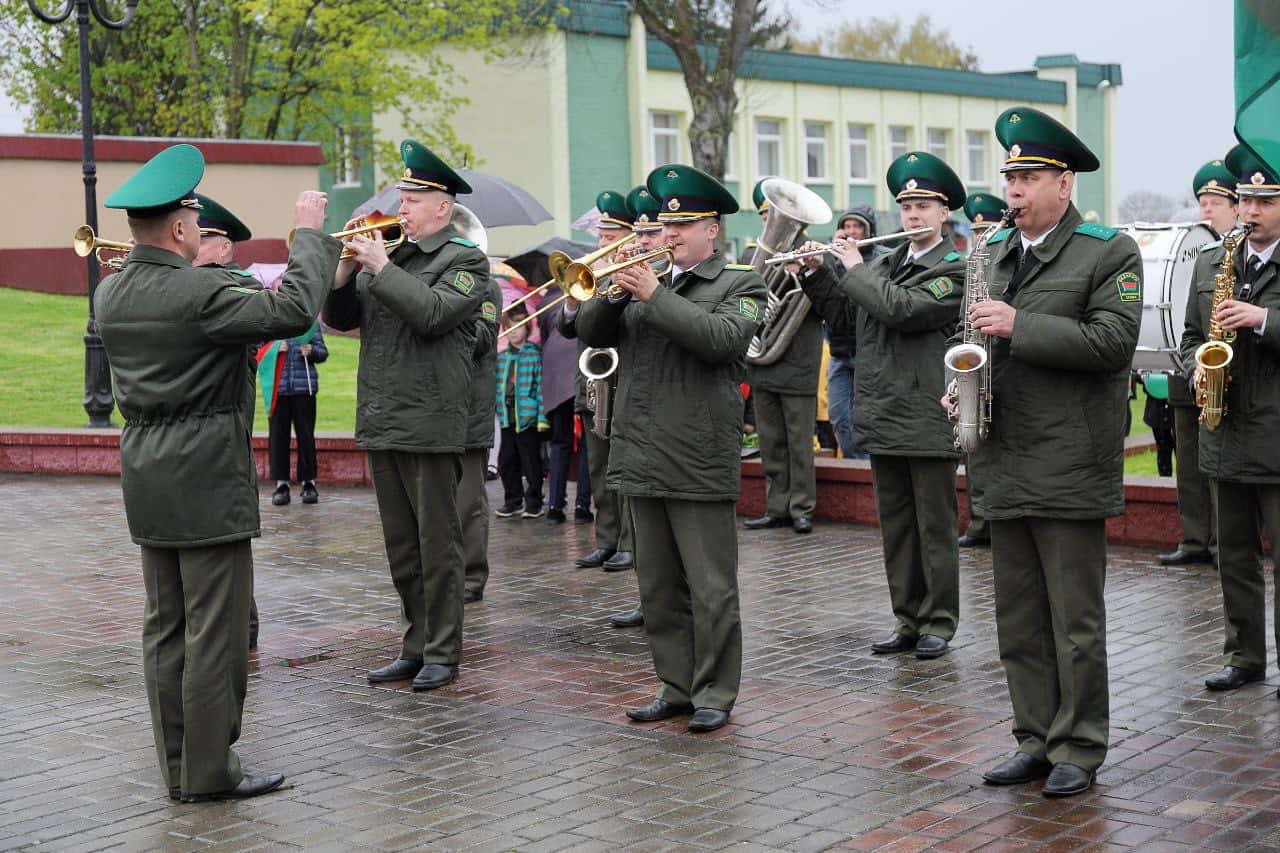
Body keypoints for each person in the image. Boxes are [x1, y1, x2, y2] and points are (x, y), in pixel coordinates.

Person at [95, 144, 340, 802]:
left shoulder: (110, 291)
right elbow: (292, 313)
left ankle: (177, 764)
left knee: (165, 624)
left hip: (146, 471)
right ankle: (208, 771)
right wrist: (309, 234)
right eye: (193, 220)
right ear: (180, 229)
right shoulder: (201, 290)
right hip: (204, 473)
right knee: (214, 629)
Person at [950, 107, 1141, 798]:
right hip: (1003, 458)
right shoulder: (995, 252)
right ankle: (1033, 737)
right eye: (1010, 177)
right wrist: (962, 388)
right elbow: (978, 346)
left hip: (1069, 460)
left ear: (1064, 182)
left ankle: (1080, 746)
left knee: (1075, 621)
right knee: (1018, 618)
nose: (1015, 190)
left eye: (1029, 177)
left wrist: (1019, 322)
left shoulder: (1107, 250)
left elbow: (1112, 344)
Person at [576, 164, 766, 733]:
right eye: (665, 226)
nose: (670, 236)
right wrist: (611, 290)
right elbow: (588, 330)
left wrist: (655, 294)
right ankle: (675, 685)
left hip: (699, 452)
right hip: (640, 449)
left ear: (713, 230)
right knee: (657, 588)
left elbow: (723, 341)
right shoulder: (639, 281)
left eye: (683, 226)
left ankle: (715, 691)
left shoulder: (740, 284)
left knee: (710, 587)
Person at [324, 140, 488, 692]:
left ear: (442, 206)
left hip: (432, 420)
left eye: (414, 198)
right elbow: (339, 317)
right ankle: (414, 644)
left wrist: (380, 265)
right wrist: (346, 270)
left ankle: (443, 650)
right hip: (384, 415)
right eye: (403, 196)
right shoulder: (389, 257)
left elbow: (434, 314)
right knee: (402, 546)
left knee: (437, 544)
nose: (403, 207)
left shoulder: (464, 260)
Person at [797, 151, 967, 661]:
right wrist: (816, 274)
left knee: (933, 525)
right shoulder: (885, 262)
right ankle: (908, 617)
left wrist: (851, 266)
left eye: (923, 205)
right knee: (895, 525)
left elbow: (901, 309)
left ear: (943, 213)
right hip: (885, 411)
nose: (912, 214)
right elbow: (847, 318)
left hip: (926, 413)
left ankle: (940, 619)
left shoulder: (953, 269)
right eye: (906, 205)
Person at [1181, 144, 1280, 694]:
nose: (1251, 210)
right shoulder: (1211, 261)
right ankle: (1244, 655)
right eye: (1245, 198)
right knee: (1234, 556)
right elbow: (1193, 336)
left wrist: (1264, 318)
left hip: (1276, 432)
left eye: (1265, 199)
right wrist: (1199, 363)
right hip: (1224, 430)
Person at [192, 193, 265, 648]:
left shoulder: (242, 286)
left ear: (226, 247)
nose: (194, 245)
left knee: (228, 535)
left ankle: (245, 626)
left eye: (204, 239)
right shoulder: (180, 283)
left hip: (226, 423)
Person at [1159, 156, 1238, 566]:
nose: (1205, 210)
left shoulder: (1244, 253)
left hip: (1232, 378)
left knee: (1222, 468)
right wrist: (1192, 367)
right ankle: (1194, 539)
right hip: (1189, 369)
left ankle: (1227, 545)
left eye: (1215, 203)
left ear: (1236, 206)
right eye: (1202, 202)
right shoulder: (1194, 250)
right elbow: (1186, 320)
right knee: (1187, 458)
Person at [560, 190, 635, 572]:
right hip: (590, 380)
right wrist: (573, 299)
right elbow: (566, 327)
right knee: (598, 468)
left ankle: (628, 542)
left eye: (610, 237)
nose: (603, 244)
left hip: (622, 376)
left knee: (622, 466)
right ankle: (606, 539)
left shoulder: (629, 271)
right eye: (601, 237)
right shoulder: (592, 274)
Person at [744, 178, 822, 535]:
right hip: (763, 361)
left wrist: (806, 274)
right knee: (771, 441)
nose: (771, 225)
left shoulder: (814, 253)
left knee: (799, 443)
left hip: (798, 361)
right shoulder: (752, 255)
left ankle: (802, 507)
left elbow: (825, 304)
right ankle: (777, 506)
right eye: (768, 217)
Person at [605, 185, 667, 630]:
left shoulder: (726, 281)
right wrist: (607, 291)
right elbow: (578, 328)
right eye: (640, 234)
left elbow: (713, 337)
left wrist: (653, 293)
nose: (643, 242)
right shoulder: (629, 279)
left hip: (680, 430)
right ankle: (649, 600)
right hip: (635, 414)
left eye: (657, 232)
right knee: (643, 521)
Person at [956, 191, 1006, 549]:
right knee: (974, 447)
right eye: (976, 232)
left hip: (1003, 367)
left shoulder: (1003, 262)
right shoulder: (974, 264)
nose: (980, 238)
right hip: (977, 361)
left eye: (986, 231)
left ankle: (991, 518)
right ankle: (978, 518)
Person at [460, 264, 503, 604]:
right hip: (433, 412)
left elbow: (482, 339)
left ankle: (471, 576)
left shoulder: (485, 287)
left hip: (469, 410)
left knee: (468, 502)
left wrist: (440, 310)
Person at [825, 206, 879, 460]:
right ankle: (854, 465)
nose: (851, 231)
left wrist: (850, 263)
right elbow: (828, 301)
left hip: (866, 352)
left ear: (868, 230)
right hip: (839, 351)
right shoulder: (835, 260)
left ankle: (866, 472)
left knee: (864, 419)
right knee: (838, 416)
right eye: (846, 226)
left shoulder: (878, 261)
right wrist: (831, 261)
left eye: (857, 226)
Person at [495, 302, 548, 517]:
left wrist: (542, 417)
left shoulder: (535, 354)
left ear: (527, 329)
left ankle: (534, 502)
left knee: (531, 462)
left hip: (527, 417)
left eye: (518, 327)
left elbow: (542, 388)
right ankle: (513, 500)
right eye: (509, 327)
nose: (513, 331)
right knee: (506, 461)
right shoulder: (501, 358)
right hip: (507, 417)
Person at [265, 323, 327, 506]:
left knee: (306, 437)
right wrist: (275, 349)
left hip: (304, 390)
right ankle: (281, 484)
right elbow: (258, 351)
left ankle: (309, 483)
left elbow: (323, 352)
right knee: (277, 438)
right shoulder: (272, 324)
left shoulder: (308, 326)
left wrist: (311, 351)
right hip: (278, 389)